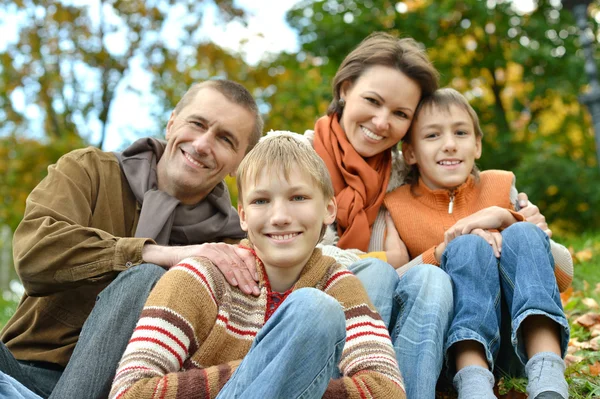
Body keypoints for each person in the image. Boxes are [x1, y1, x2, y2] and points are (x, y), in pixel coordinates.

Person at [304, 32, 558, 398]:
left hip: (502, 334)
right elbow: (387, 270)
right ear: (344, 88)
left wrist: (517, 223)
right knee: (435, 265)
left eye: (400, 113)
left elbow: (557, 272)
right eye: (372, 100)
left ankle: (545, 374)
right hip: (339, 307)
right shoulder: (297, 159)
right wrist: (448, 246)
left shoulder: (405, 174)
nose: (380, 122)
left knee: (484, 252)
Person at [0, 79, 264, 399]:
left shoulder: (232, 247)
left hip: (128, 390)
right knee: (148, 270)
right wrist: (155, 253)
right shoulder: (90, 170)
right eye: (197, 124)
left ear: (239, 163)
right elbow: (34, 254)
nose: (203, 144)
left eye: (225, 139)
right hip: (23, 373)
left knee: (147, 280)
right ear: (171, 123)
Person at [109, 132, 406, 398]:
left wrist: (290, 378)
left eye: (298, 197)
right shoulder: (199, 278)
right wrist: (268, 364)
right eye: (261, 201)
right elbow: (130, 391)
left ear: (329, 209)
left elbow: (386, 391)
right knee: (314, 310)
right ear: (243, 216)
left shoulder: (340, 285)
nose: (279, 216)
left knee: (316, 310)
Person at [384, 88, 572, 399]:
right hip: (451, 351)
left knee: (523, 234)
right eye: (432, 136)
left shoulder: (501, 185)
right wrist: (441, 252)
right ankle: (474, 385)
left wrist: (509, 219)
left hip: (518, 344)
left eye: (460, 132)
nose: (449, 145)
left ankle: (548, 376)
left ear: (478, 144)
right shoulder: (396, 206)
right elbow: (390, 284)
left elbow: (563, 274)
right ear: (410, 152)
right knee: (466, 248)